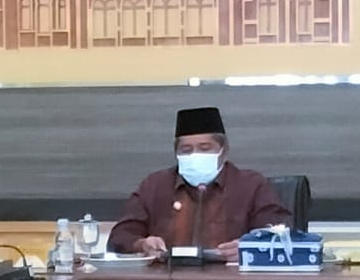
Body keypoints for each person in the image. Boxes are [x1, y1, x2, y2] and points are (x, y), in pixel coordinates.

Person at [106, 106, 290, 261]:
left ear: (224, 151)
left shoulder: (251, 185)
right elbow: (119, 237)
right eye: (186, 150)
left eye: (205, 148)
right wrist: (142, 244)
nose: (195, 155)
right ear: (176, 153)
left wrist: (250, 247)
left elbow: (282, 234)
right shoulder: (155, 185)